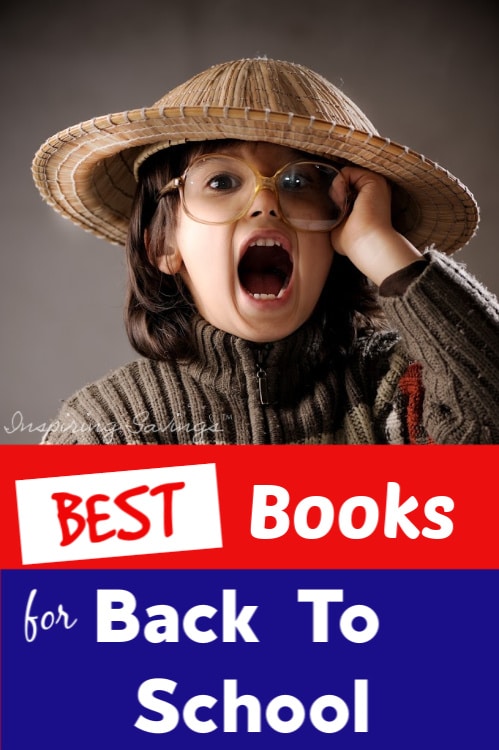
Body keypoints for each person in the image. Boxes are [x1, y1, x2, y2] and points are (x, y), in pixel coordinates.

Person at [32, 57, 499, 444]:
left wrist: (378, 243)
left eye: (300, 182)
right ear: (163, 243)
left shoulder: (396, 394)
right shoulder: (110, 429)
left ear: (339, 233)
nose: (265, 202)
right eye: (220, 181)